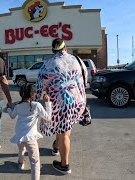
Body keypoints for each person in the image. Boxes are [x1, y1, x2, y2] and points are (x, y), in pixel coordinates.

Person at [36, 38, 88, 174]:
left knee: (64, 131)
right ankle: (56, 146)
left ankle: (64, 165)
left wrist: (34, 99)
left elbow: (40, 83)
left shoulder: (48, 64)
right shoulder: (77, 60)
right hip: (77, 100)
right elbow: (85, 76)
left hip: (60, 102)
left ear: (53, 50)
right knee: (65, 127)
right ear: (65, 48)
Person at [7, 84, 52, 180]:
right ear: (33, 94)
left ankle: (20, 163)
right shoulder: (37, 105)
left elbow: (12, 116)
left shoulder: (18, 106)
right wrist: (48, 103)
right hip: (30, 138)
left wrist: (8, 108)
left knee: (21, 150)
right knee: (35, 162)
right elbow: (48, 117)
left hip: (19, 135)